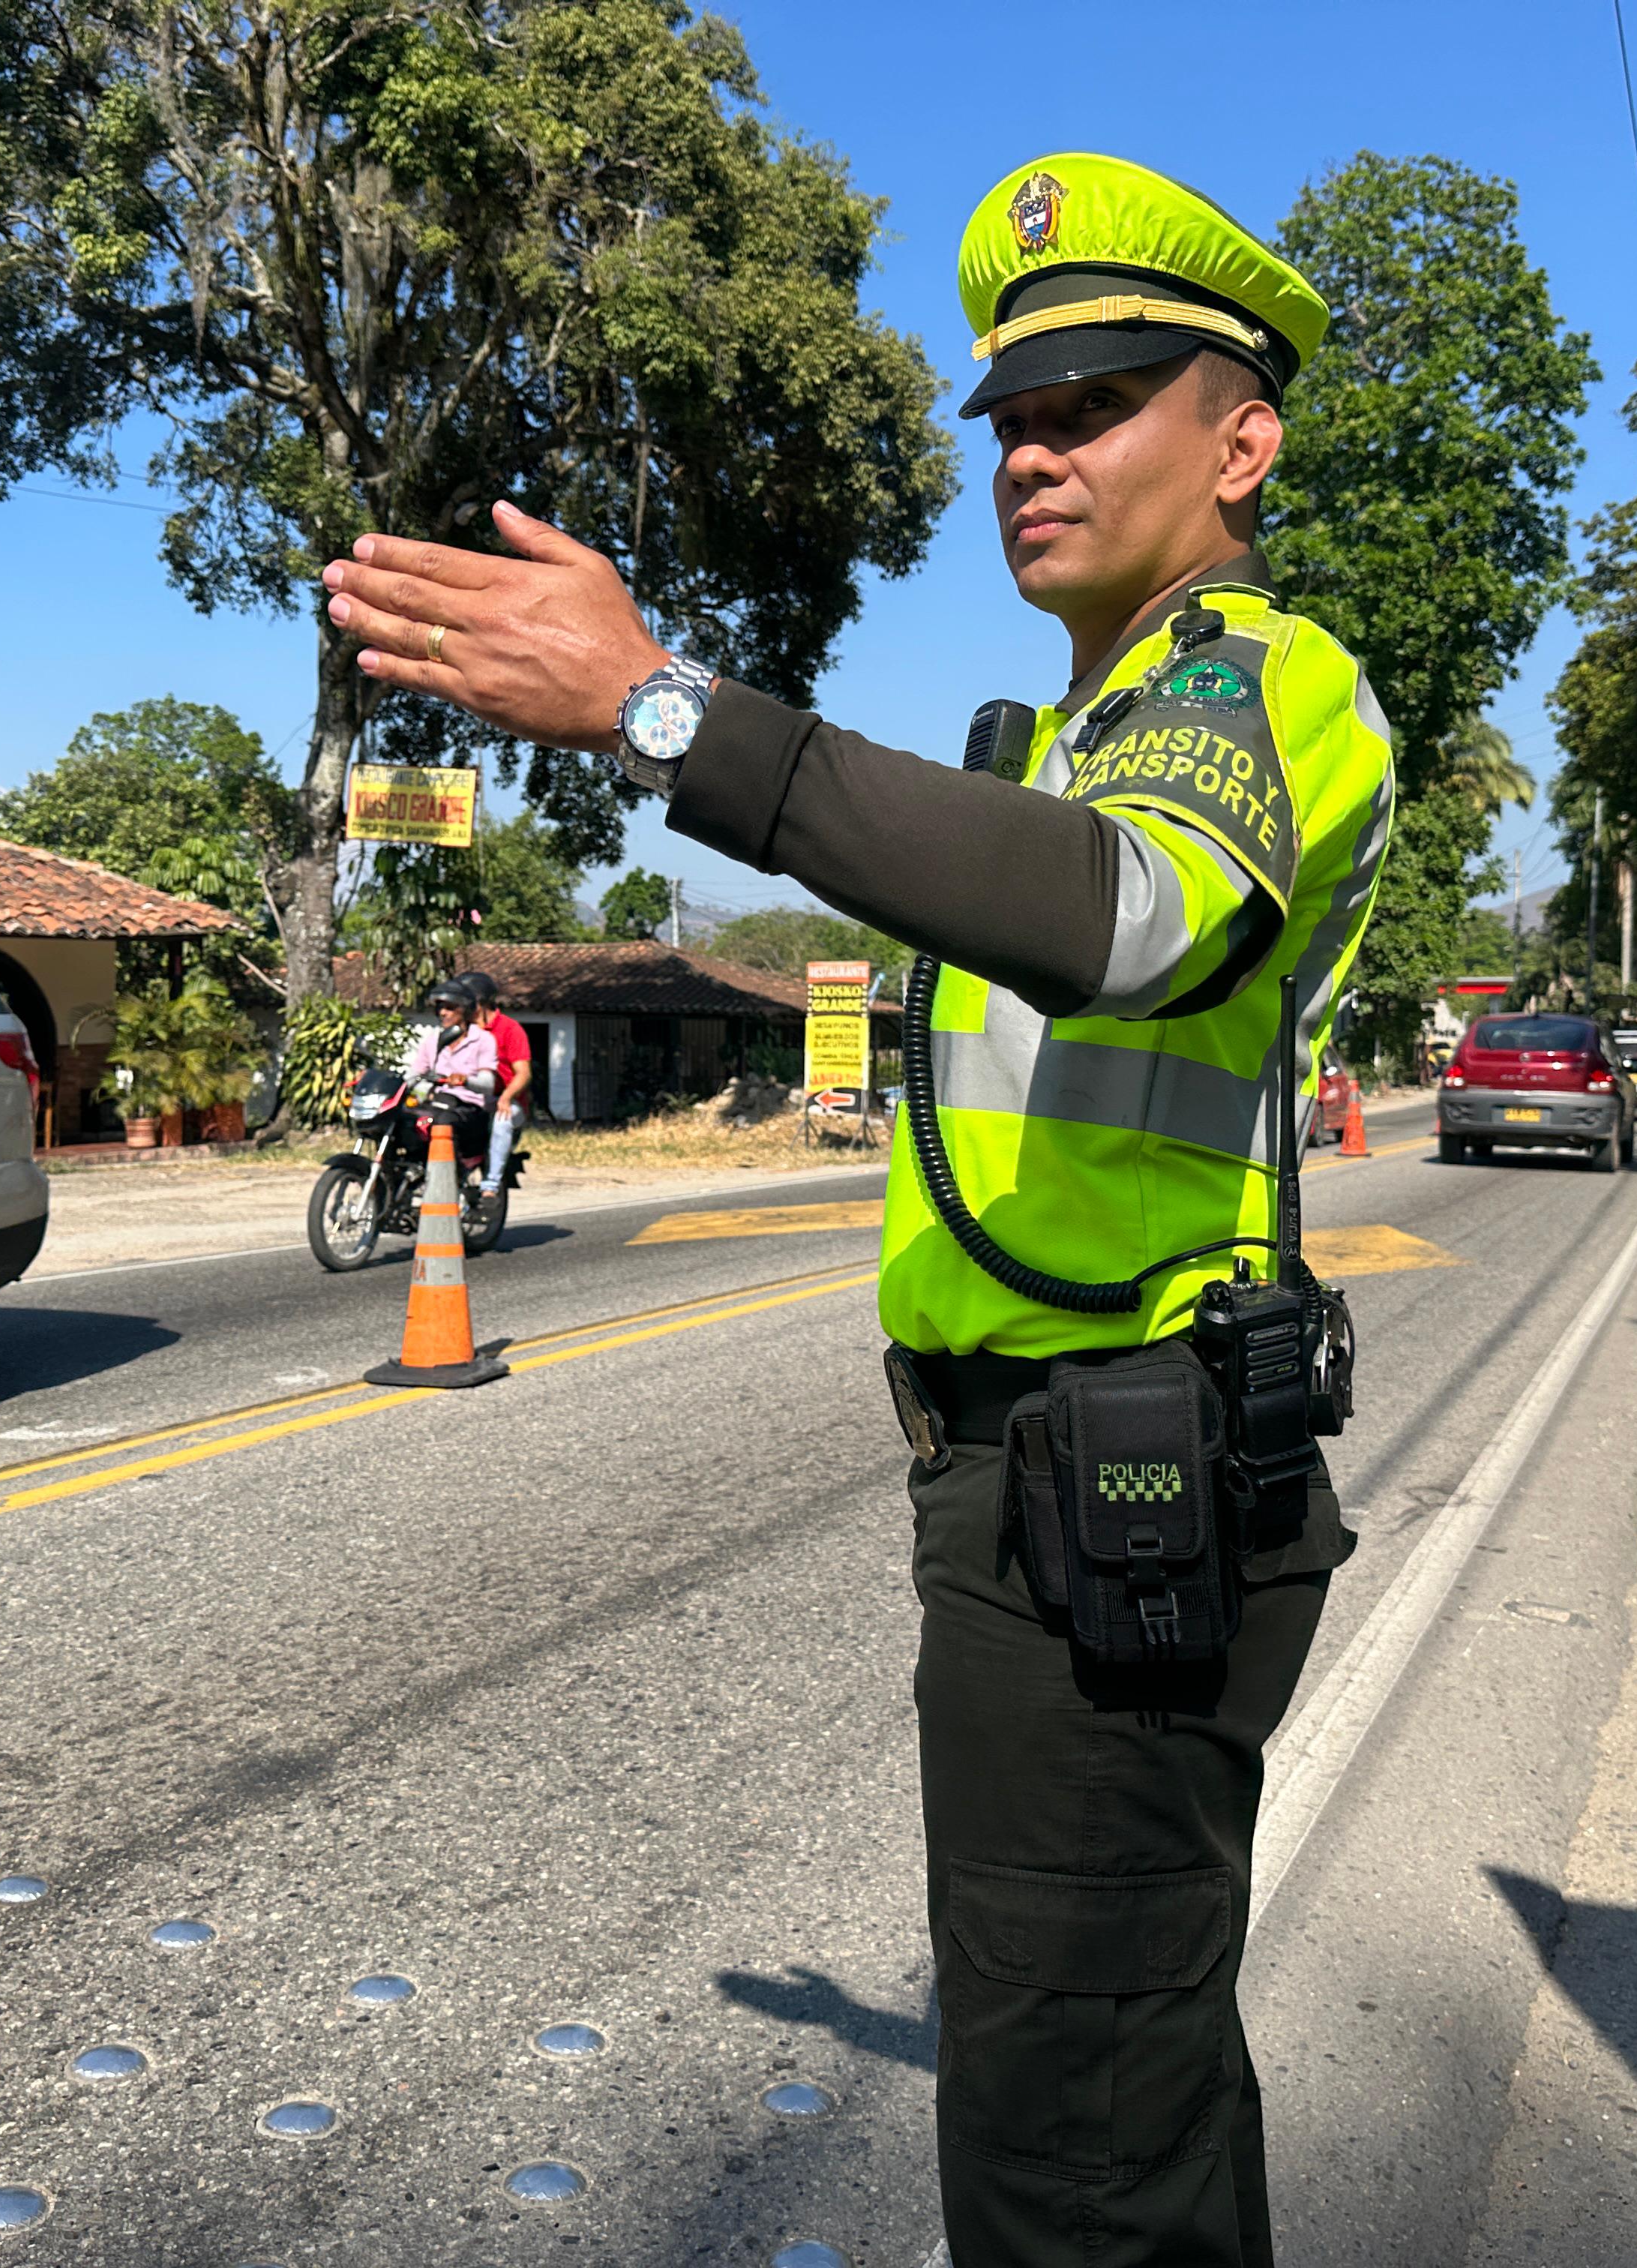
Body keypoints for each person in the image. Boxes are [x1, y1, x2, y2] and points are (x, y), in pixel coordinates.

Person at [319, 151, 1395, 2267]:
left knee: (1068, 2151)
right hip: (1064, 1476)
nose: (1032, 452)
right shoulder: (1097, 724)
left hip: (1120, 1476)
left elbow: (1122, 916)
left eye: (1094, 402)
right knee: (1130, 2084)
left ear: (1242, 439)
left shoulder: (1256, 680)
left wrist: (664, 710)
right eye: (1008, 415)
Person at [460, 967, 535, 1186]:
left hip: (507, 1103)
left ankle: (491, 1183)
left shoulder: (511, 1029)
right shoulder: (462, 1030)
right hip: (473, 1101)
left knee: (502, 1120)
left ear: (479, 1002)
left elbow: (523, 1073)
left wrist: (506, 1097)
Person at [400, 980, 500, 1132]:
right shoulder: (433, 1039)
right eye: (440, 1008)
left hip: (471, 1108)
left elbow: (488, 1084)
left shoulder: (483, 1039)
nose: (442, 1013)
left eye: (450, 1008)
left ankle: (442, 1157)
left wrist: (465, 1080)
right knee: (403, 1117)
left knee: (443, 1121)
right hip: (439, 1103)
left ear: (466, 1010)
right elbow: (415, 1073)